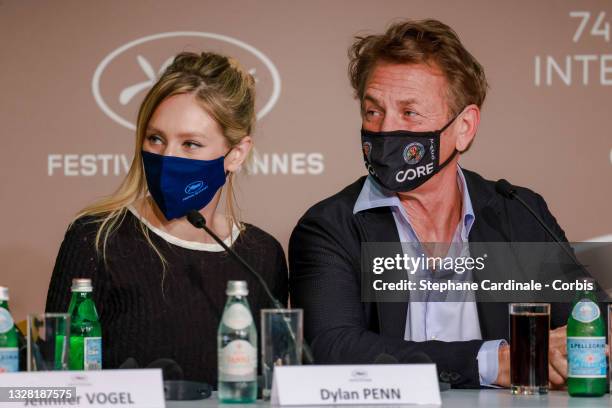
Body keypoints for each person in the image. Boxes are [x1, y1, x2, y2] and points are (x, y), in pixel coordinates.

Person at [289, 19, 570, 388]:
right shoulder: (330, 226)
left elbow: (589, 315)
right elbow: (333, 348)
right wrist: (495, 363)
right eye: (373, 111)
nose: (386, 130)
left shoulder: (519, 212)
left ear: (465, 127)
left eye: (409, 113)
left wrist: (572, 346)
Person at [46, 51, 288, 385]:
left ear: (236, 153)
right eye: (155, 138)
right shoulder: (96, 238)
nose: (167, 157)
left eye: (190, 144)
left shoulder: (261, 255)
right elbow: (54, 383)